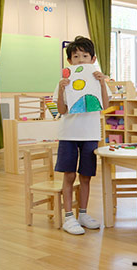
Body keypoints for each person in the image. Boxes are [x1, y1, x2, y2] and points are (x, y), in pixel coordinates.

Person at [54, 36, 111, 235]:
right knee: (69, 175)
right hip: (68, 134)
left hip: (90, 134)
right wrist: (62, 89)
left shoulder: (97, 79)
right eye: (75, 56)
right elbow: (61, 110)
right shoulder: (65, 82)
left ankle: (83, 213)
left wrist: (102, 83)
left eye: (84, 56)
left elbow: (105, 105)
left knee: (86, 175)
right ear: (69, 61)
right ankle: (69, 216)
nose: (80, 59)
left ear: (92, 58)